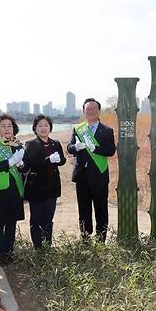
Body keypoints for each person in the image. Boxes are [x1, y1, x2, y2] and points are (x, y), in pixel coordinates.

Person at [66, 99, 116, 243]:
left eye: (94, 108)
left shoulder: (107, 130)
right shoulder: (78, 129)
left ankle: (101, 240)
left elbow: (111, 150)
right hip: (81, 176)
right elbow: (69, 147)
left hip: (99, 176)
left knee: (101, 209)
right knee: (84, 209)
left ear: (99, 111)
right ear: (84, 111)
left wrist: (96, 149)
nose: (91, 111)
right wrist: (75, 147)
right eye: (88, 109)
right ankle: (85, 239)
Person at [0, 114, 25, 265]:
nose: (7, 129)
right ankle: (1, 254)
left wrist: (21, 164)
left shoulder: (18, 144)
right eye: (3, 126)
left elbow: (23, 166)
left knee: (11, 222)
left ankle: (9, 251)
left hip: (14, 188)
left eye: (10, 126)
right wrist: (11, 162)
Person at [25, 114, 66, 247]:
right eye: (40, 125)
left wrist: (59, 160)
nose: (43, 128)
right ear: (35, 128)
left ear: (50, 128)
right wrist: (47, 160)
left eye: (46, 125)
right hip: (36, 188)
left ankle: (47, 246)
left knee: (48, 218)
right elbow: (30, 163)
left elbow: (63, 161)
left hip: (52, 187)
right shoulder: (31, 144)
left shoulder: (56, 143)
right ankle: (38, 247)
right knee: (36, 219)